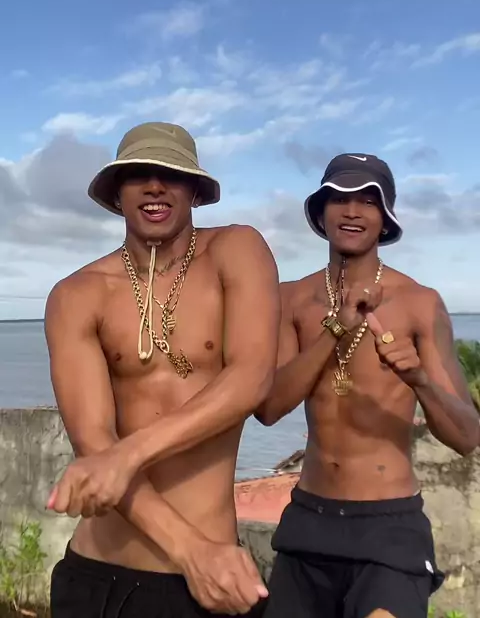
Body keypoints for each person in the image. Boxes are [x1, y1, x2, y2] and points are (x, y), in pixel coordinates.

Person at [45, 121, 280, 618]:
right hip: (99, 576)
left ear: (194, 190)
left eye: (171, 174)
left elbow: (252, 378)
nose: (155, 186)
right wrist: (192, 551)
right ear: (117, 193)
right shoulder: (75, 295)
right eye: (138, 175)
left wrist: (128, 454)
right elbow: (94, 441)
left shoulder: (237, 250)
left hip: (206, 587)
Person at [256, 153, 479, 618]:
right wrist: (336, 328)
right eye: (339, 198)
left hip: (388, 525)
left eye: (369, 201)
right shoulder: (290, 299)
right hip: (309, 519)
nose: (353, 211)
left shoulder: (419, 303)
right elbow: (270, 407)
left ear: (386, 217)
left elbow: (466, 436)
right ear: (321, 212)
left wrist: (419, 379)